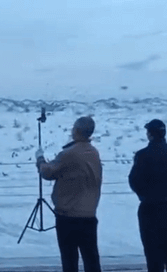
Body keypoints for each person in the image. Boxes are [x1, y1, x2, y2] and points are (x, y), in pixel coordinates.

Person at [36, 116, 103, 272]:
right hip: (89, 214)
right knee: (91, 259)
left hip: (68, 216)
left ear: (77, 131)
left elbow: (48, 172)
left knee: (69, 259)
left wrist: (40, 159)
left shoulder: (69, 154)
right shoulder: (94, 153)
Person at [128, 119, 167, 272]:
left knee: (153, 256)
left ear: (149, 134)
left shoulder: (142, 155)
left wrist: (144, 194)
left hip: (149, 209)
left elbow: (134, 181)